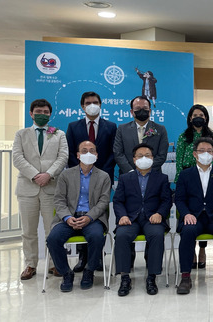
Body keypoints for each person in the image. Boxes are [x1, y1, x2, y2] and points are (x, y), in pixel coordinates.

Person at [12, 98, 68, 280]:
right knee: (28, 230)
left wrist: (48, 174)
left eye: (45, 112)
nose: (42, 115)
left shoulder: (59, 134)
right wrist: (36, 175)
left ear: (50, 114)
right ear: (31, 113)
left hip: (51, 187)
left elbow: (63, 157)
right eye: (38, 111)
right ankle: (30, 264)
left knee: (53, 230)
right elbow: (18, 157)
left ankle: (55, 264)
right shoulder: (21, 134)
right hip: (27, 188)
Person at [46, 141, 110, 292]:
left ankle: (89, 270)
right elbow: (59, 200)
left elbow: (103, 201)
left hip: (92, 219)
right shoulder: (65, 175)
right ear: (78, 155)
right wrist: (68, 218)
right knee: (52, 239)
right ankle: (66, 273)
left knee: (97, 237)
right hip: (69, 217)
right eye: (84, 151)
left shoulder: (104, 176)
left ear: (96, 155)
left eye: (92, 151)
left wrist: (89, 217)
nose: (88, 154)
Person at [65, 91, 117, 273]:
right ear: (82, 106)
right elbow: (71, 152)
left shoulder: (111, 126)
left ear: (100, 105)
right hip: (79, 178)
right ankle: (81, 258)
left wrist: (102, 172)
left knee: (99, 215)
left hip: (103, 178)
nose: (92, 105)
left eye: (95, 102)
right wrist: (79, 170)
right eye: (88, 102)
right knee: (80, 212)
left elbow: (113, 153)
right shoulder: (73, 126)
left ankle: (97, 257)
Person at [175, 138, 213, 294]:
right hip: (193, 216)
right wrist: (186, 214)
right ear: (195, 154)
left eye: (209, 151)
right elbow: (179, 199)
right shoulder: (185, 174)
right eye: (202, 151)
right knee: (187, 232)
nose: (206, 154)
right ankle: (186, 276)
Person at [113, 143, 172, 296]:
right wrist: (123, 216)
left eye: (148, 155)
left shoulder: (161, 178)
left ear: (153, 159)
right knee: (121, 235)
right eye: (140, 156)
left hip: (152, 218)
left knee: (156, 235)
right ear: (134, 159)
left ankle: (151, 277)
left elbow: (166, 200)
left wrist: (160, 213)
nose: (144, 158)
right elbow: (118, 200)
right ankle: (125, 277)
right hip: (130, 219)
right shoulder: (125, 178)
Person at [175, 104, 213, 268]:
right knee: (189, 218)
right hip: (187, 178)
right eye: (195, 115)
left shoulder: (211, 135)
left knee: (205, 213)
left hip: (207, 176)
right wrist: (179, 182)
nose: (198, 117)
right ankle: (190, 252)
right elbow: (179, 161)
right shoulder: (183, 136)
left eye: (201, 114)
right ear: (190, 118)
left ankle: (202, 250)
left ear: (206, 118)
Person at [113, 95, 168, 175]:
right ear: (132, 112)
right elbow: (118, 153)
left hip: (153, 175)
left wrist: (146, 170)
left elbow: (162, 155)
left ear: (150, 111)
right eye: (138, 109)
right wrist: (130, 171)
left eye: (145, 109)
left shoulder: (160, 129)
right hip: (128, 175)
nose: (142, 111)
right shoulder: (122, 129)